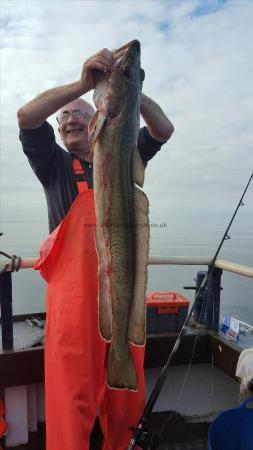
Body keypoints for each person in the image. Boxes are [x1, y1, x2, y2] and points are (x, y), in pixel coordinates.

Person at [17, 48, 174, 450]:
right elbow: (26, 117)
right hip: (74, 303)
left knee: (124, 398)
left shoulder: (124, 152)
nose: (69, 120)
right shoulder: (52, 164)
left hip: (121, 289)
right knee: (72, 396)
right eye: (63, 117)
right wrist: (82, 85)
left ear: (99, 121)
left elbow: (163, 128)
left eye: (79, 113)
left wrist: (133, 89)